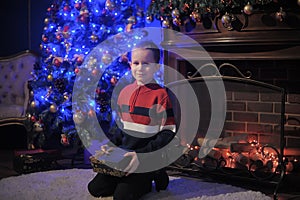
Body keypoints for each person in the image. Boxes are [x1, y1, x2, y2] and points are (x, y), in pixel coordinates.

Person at [88, 40, 177, 200]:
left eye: (146, 63)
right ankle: (127, 179)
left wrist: (143, 155)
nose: (140, 68)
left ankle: (153, 173)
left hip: (144, 158)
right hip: (123, 157)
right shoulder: (125, 92)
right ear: (130, 65)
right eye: (136, 63)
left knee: (121, 197)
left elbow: (167, 133)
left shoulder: (161, 95)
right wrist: (110, 147)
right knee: (95, 189)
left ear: (156, 67)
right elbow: (118, 127)